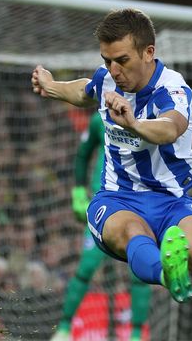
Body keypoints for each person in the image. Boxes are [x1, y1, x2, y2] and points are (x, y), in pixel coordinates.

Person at [32, 8, 192, 341]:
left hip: (171, 202)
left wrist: (134, 123)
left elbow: (171, 127)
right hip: (115, 200)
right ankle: (166, 274)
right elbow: (85, 89)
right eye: (107, 60)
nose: (114, 70)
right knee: (132, 230)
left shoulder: (172, 90)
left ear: (149, 53)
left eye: (122, 61)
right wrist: (52, 86)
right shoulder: (106, 79)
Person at [50, 111, 152, 341]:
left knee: (139, 271)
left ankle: (136, 335)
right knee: (86, 268)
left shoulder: (148, 119)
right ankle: (64, 329)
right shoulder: (100, 119)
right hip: (103, 207)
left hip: (138, 208)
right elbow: (83, 153)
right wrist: (78, 190)